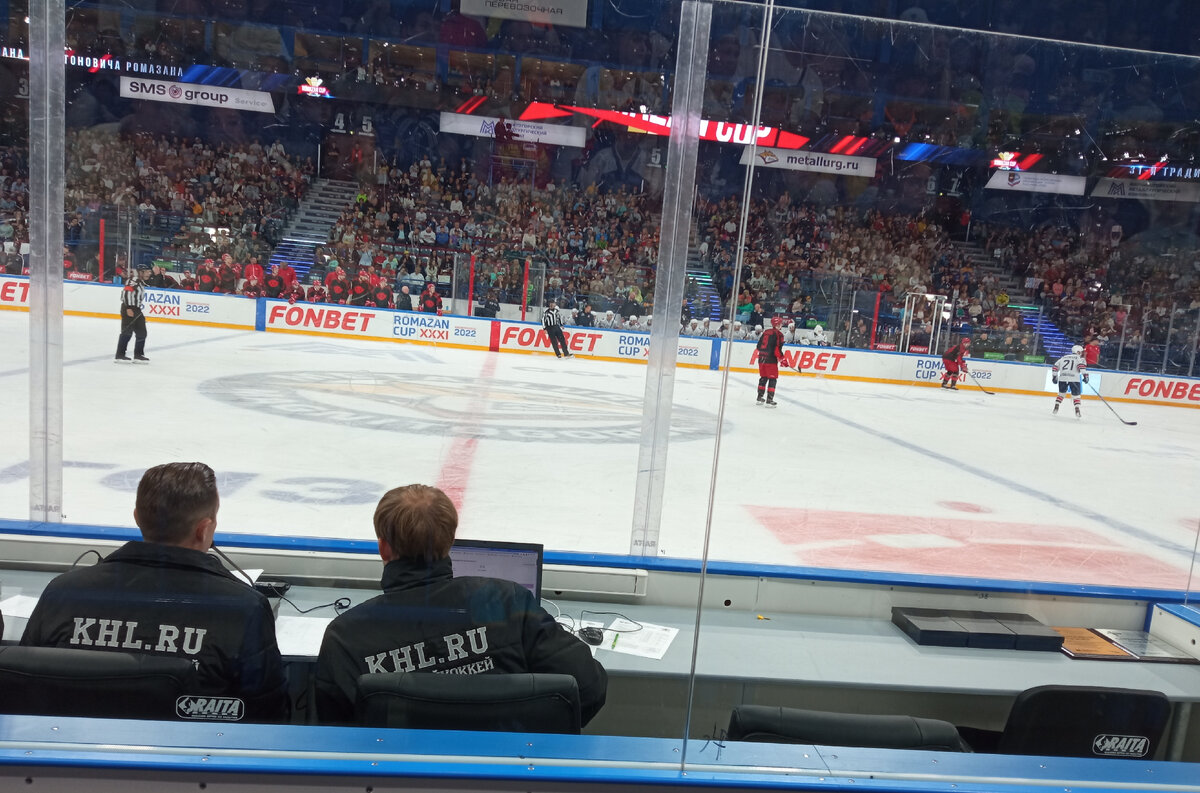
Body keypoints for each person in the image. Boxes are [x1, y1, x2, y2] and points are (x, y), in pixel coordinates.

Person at [313, 484, 607, 725]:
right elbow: (589, 687)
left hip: (399, 772)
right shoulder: (506, 602)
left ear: (383, 548)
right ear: (450, 540)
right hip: (506, 769)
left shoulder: (346, 636)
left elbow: (337, 734)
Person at [20, 462, 289, 722]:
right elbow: (267, 714)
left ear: (137, 517)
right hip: (191, 751)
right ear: (204, 529)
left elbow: (21, 683)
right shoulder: (242, 609)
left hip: (67, 748)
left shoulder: (64, 593)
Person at [115, 267, 150, 363]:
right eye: (146, 272)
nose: (148, 274)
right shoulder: (133, 281)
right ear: (140, 272)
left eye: (149, 272)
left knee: (142, 332)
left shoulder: (140, 282)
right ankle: (120, 355)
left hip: (136, 309)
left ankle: (138, 355)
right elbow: (126, 293)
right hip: (129, 308)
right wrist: (128, 308)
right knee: (127, 332)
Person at [755, 315, 787, 407]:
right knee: (772, 379)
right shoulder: (779, 334)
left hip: (761, 358)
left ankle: (759, 398)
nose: (781, 325)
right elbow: (777, 350)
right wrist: (782, 359)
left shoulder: (766, 332)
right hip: (770, 360)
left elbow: (758, 347)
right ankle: (769, 400)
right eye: (780, 323)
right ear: (777, 325)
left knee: (763, 377)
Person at [1052, 344, 1088, 418]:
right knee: (1076, 395)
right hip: (1074, 379)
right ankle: (1077, 409)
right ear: (1078, 352)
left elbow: (1055, 367)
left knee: (1061, 394)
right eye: (1081, 352)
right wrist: (1085, 376)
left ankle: (1057, 405)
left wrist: (1055, 376)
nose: (1082, 353)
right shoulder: (1080, 359)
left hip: (1063, 378)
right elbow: (1081, 367)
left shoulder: (1063, 357)